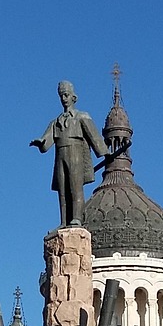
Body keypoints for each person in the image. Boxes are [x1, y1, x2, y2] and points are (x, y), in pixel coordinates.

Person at [31, 81, 109, 227]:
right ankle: (63, 222)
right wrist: (40, 143)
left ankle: (77, 218)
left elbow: (94, 137)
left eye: (66, 95)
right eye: (61, 96)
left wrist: (105, 153)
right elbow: (46, 144)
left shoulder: (81, 116)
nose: (64, 98)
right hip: (60, 155)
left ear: (74, 97)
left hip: (75, 152)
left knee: (75, 186)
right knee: (62, 189)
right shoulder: (56, 122)